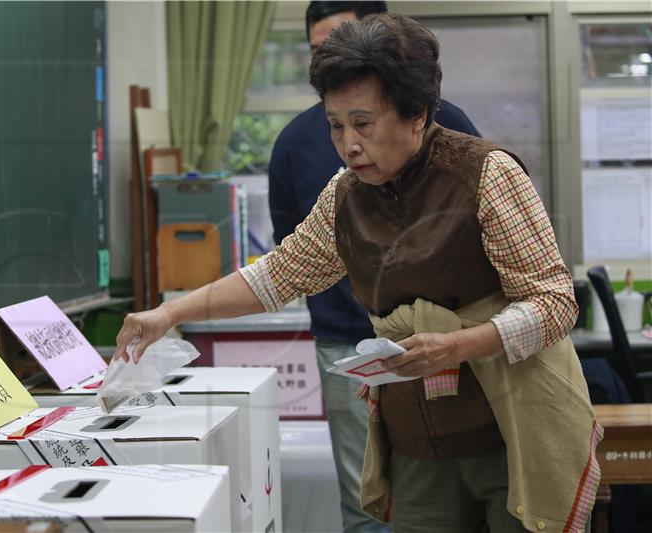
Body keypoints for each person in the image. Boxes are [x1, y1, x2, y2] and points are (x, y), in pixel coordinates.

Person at [116, 13, 601, 533]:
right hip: (419, 438)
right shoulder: (345, 195)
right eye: (335, 125)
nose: (348, 143)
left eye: (363, 124)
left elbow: (554, 302)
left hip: (513, 428)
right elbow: (279, 274)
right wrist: (169, 312)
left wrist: (462, 344)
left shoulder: (486, 174)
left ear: (416, 114)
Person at [267, 3, 480, 531]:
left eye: (361, 125)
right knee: (368, 505)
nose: (350, 143)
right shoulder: (297, 145)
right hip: (348, 344)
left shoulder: (453, 134)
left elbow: (495, 254)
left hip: (447, 344)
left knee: (459, 492)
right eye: (320, 51)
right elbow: (289, 260)